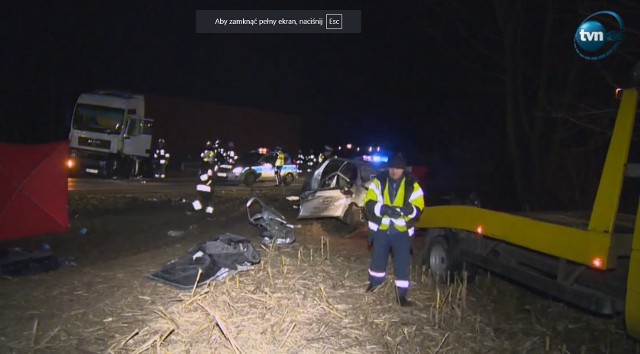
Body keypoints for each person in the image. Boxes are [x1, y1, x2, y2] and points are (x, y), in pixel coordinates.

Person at [363, 153, 425, 307]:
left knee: (402, 263)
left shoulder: (412, 185)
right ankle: (375, 284)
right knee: (378, 258)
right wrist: (383, 209)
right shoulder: (379, 182)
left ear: (403, 169)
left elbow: (418, 206)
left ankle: (401, 296)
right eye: (391, 167)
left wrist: (406, 210)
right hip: (381, 229)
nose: (394, 171)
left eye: (397, 168)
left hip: (401, 232)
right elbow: (369, 202)